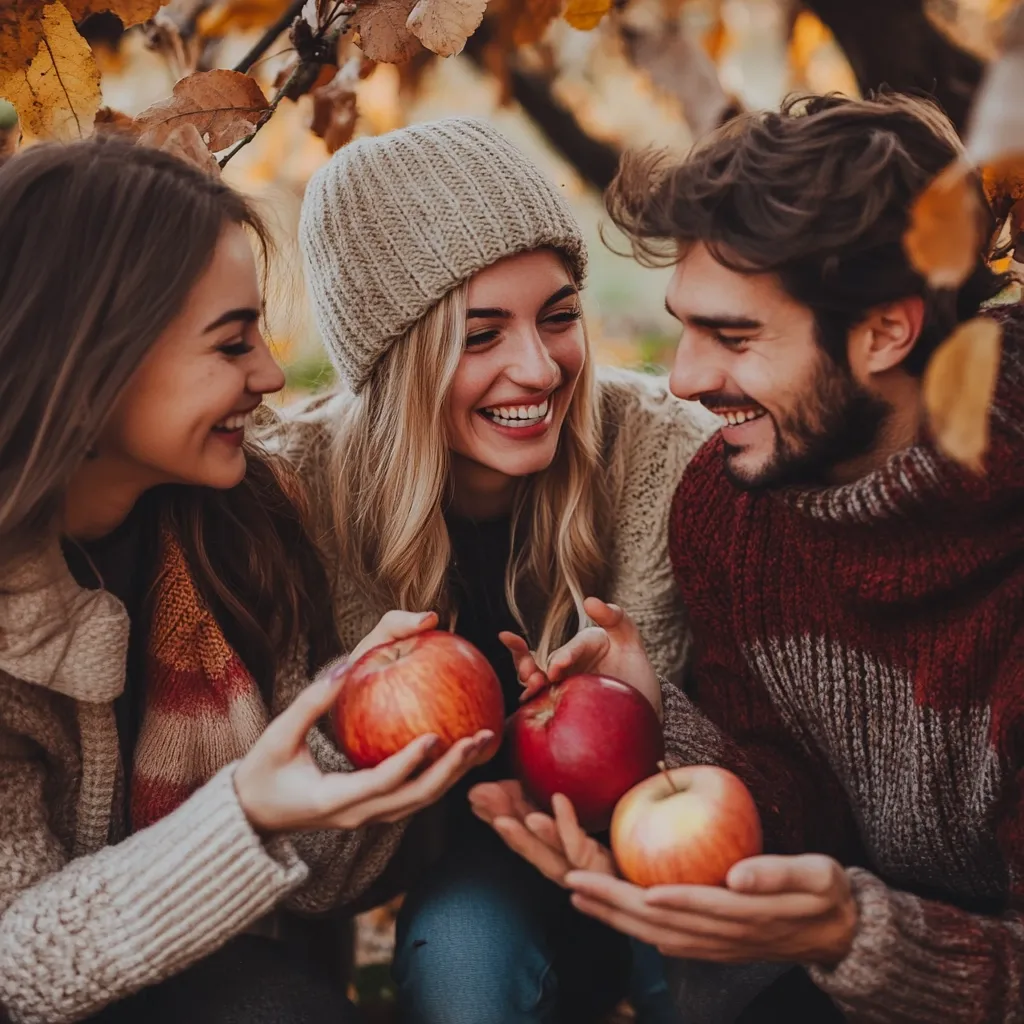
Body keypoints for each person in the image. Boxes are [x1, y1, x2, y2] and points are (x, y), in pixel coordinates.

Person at [472, 92, 1024, 1022]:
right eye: (684, 325)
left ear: (888, 330)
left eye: (734, 337)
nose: (684, 378)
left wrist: (861, 934)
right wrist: (656, 729)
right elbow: (799, 800)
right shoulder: (731, 509)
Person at [0, 136, 496, 1024]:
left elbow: (317, 894)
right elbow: (15, 967)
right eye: (232, 345)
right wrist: (245, 815)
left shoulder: (241, 526)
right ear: (90, 364)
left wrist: (356, 737)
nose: (269, 375)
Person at [274, 116, 716, 1023]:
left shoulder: (668, 456)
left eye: (558, 318)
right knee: (466, 973)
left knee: (711, 974)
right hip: (468, 861)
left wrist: (656, 720)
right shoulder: (298, 499)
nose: (537, 368)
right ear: (394, 361)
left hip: (661, 829)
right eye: (479, 336)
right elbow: (308, 859)